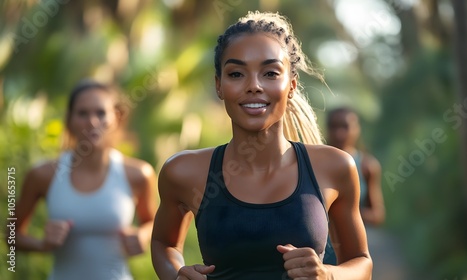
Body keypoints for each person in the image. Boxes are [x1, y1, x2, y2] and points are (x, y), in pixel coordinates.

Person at [151, 11, 372, 280]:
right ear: (219, 86)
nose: (254, 86)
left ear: (291, 85)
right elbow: (165, 245)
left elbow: (361, 262)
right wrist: (176, 275)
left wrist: (327, 275)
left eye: (270, 73)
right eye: (236, 74)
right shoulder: (183, 171)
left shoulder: (334, 167)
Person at [13, 79, 157, 280]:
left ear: (116, 118)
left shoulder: (139, 174)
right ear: (69, 120)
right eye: (82, 113)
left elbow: (154, 224)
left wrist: (143, 235)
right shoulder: (43, 175)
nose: (92, 121)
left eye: (100, 113)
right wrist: (42, 244)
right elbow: (12, 236)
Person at [323, 107, 385, 266]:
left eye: (345, 127)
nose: (339, 133)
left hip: (351, 250)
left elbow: (377, 214)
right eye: (333, 126)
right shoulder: (315, 162)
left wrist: (345, 213)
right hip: (319, 249)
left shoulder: (367, 166)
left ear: (357, 129)